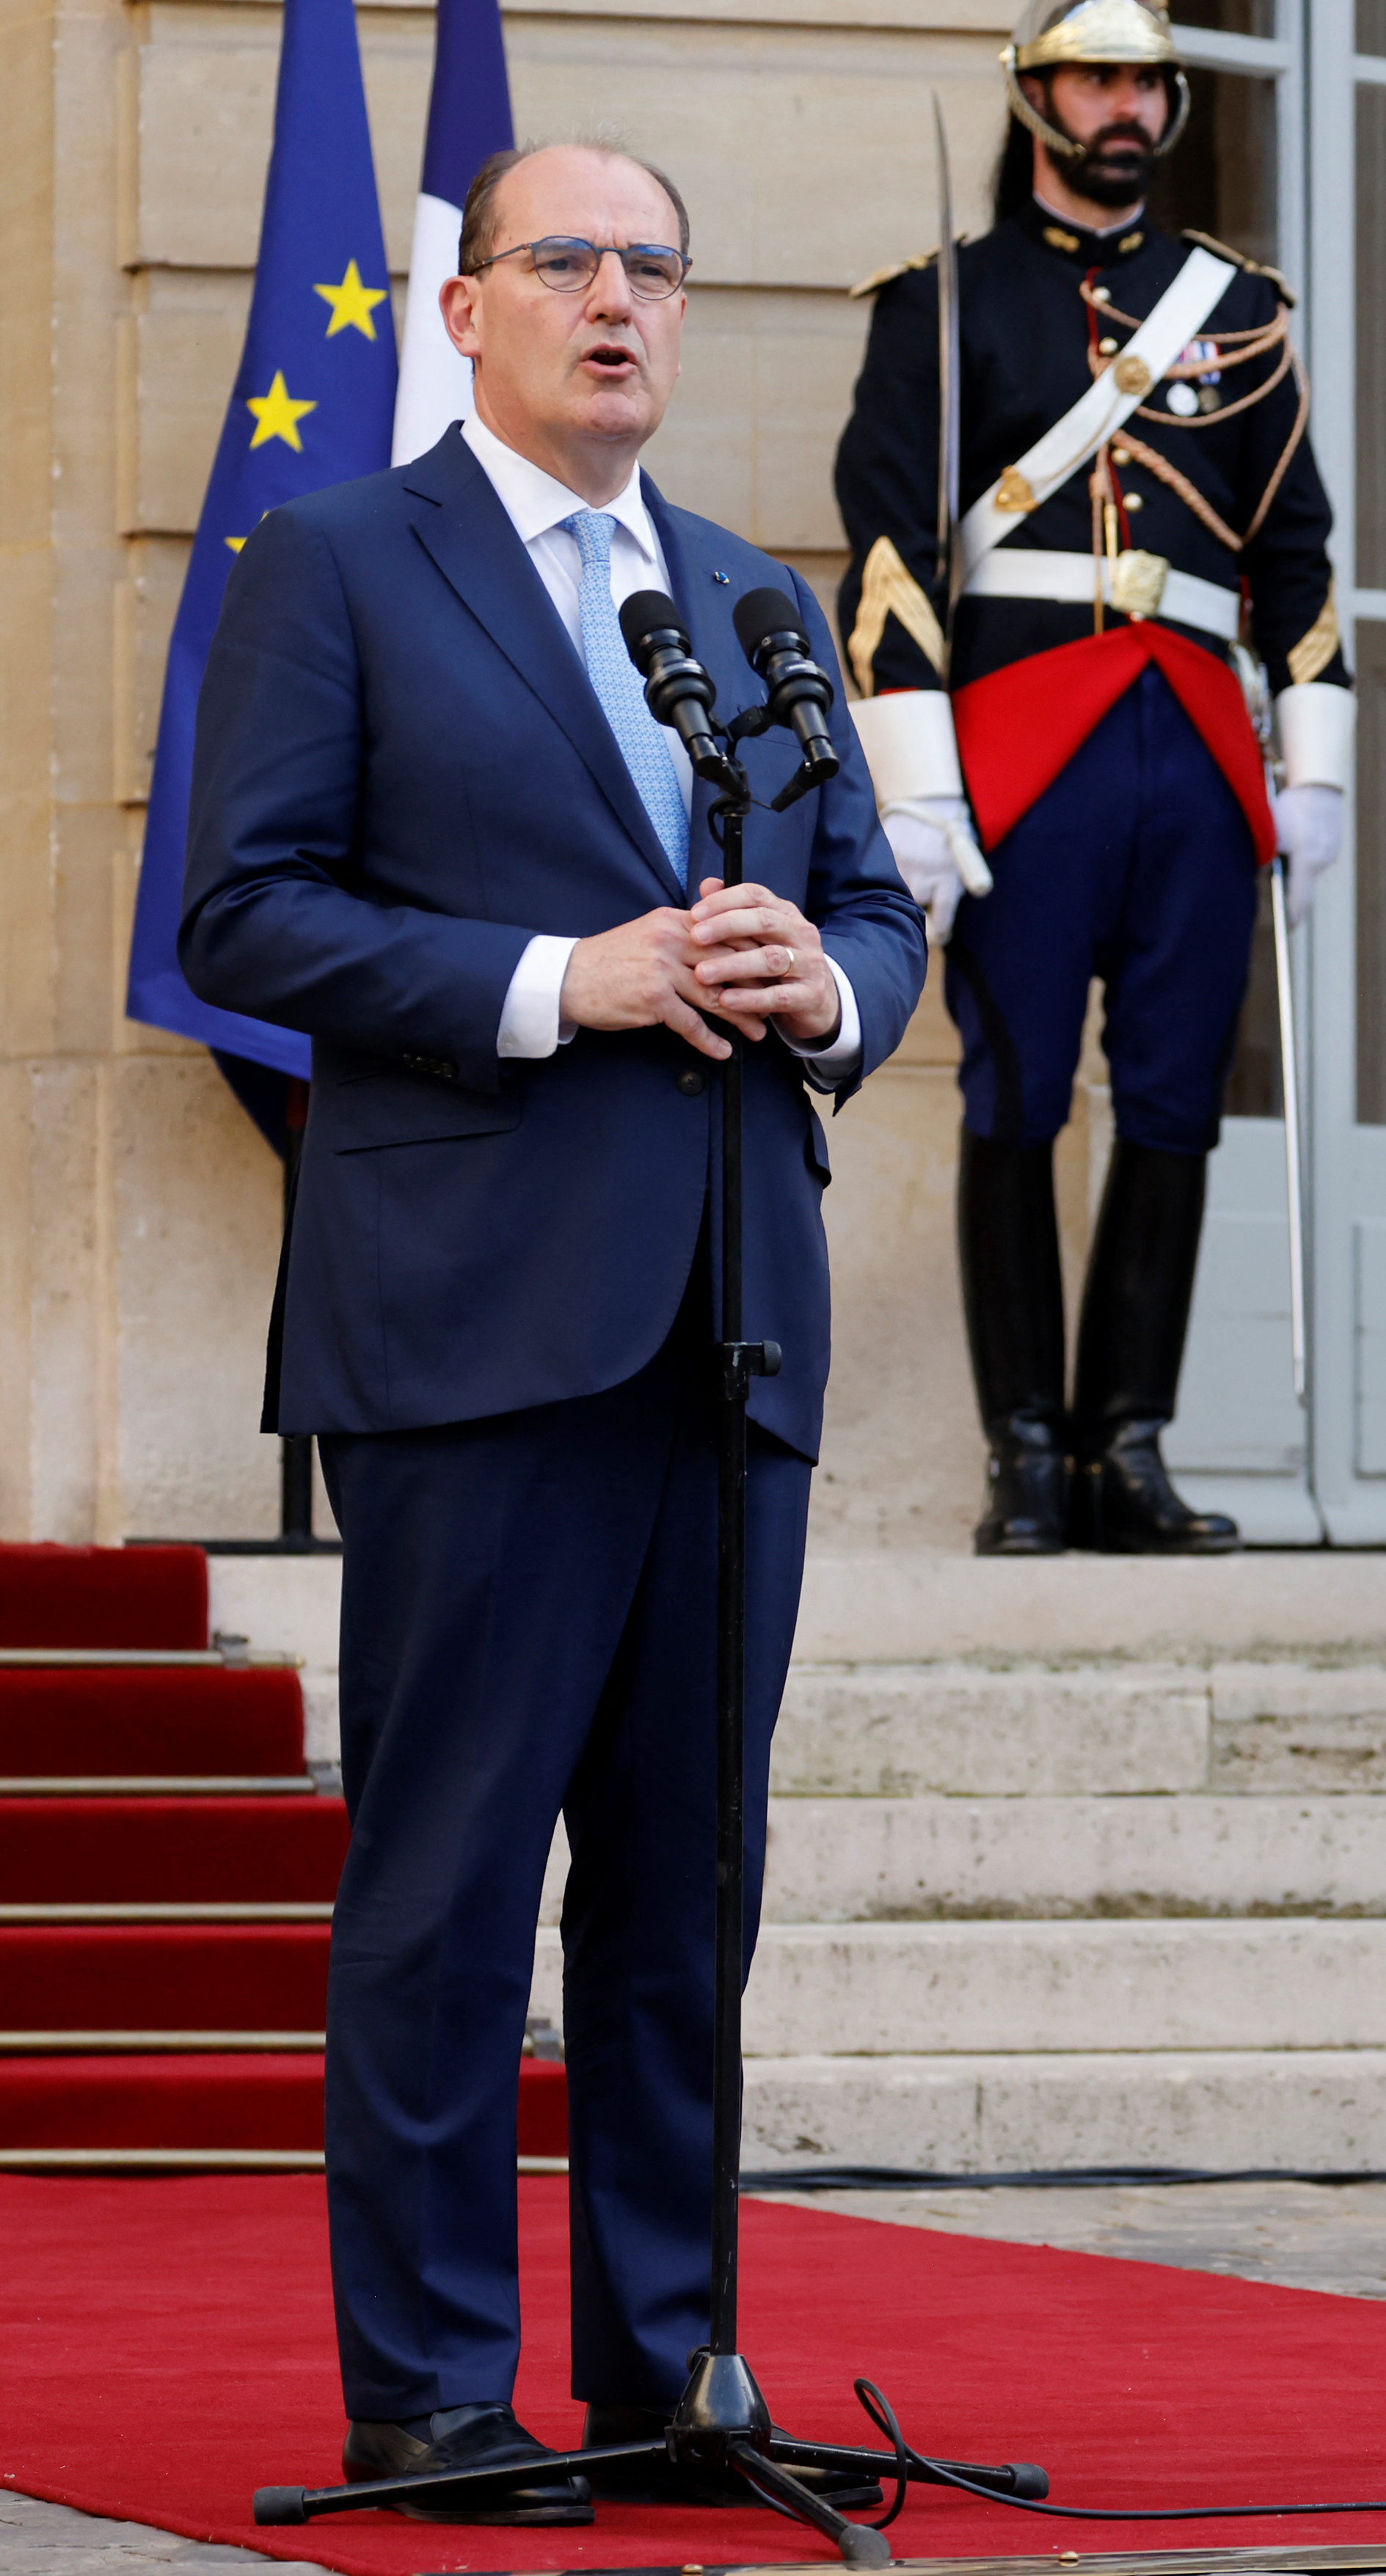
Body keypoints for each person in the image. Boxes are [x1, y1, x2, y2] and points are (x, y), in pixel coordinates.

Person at [178, 144, 927, 2517]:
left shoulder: (756, 600)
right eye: (566, 262)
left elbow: (877, 911)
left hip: (734, 1320)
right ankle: (424, 2383)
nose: (617, 300)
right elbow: (245, 916)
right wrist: (552, 983)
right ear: (470, 307)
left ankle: (667, 2367)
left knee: (688, 1882)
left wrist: (835, 990)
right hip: (476, 1327)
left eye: (654, 268)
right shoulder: (343, 562)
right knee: (450, 1883)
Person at [831, 0, 1351, 1556]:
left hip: (1195, 739)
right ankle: (1025, 1454)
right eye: (1095, 78)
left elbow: (1299, 554)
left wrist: (1311, 763)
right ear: (1036, 95)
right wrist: (915, 776)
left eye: (1144, 81)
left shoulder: (1241, 312)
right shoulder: (942, 303)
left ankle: (1129, 1444)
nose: (1124, 106)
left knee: (1176, 1101)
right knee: (1017, 1090)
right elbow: (886, 554)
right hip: (1022, 743)